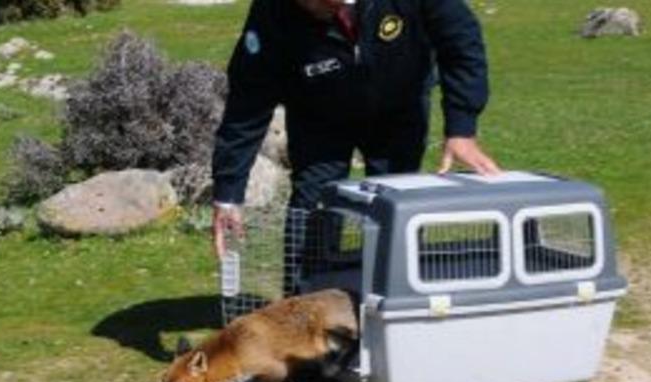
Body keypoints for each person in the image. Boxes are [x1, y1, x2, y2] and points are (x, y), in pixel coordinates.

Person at [211, 0, 502, 284]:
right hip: (318, 114)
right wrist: (228, 193)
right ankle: (307, 299)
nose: (308, 8)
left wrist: (461, 129)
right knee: (314, 207)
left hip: (399, 111)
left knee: (396, 206)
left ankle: (395, 297)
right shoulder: (274, 9)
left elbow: (461, 41)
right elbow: (247, 103)